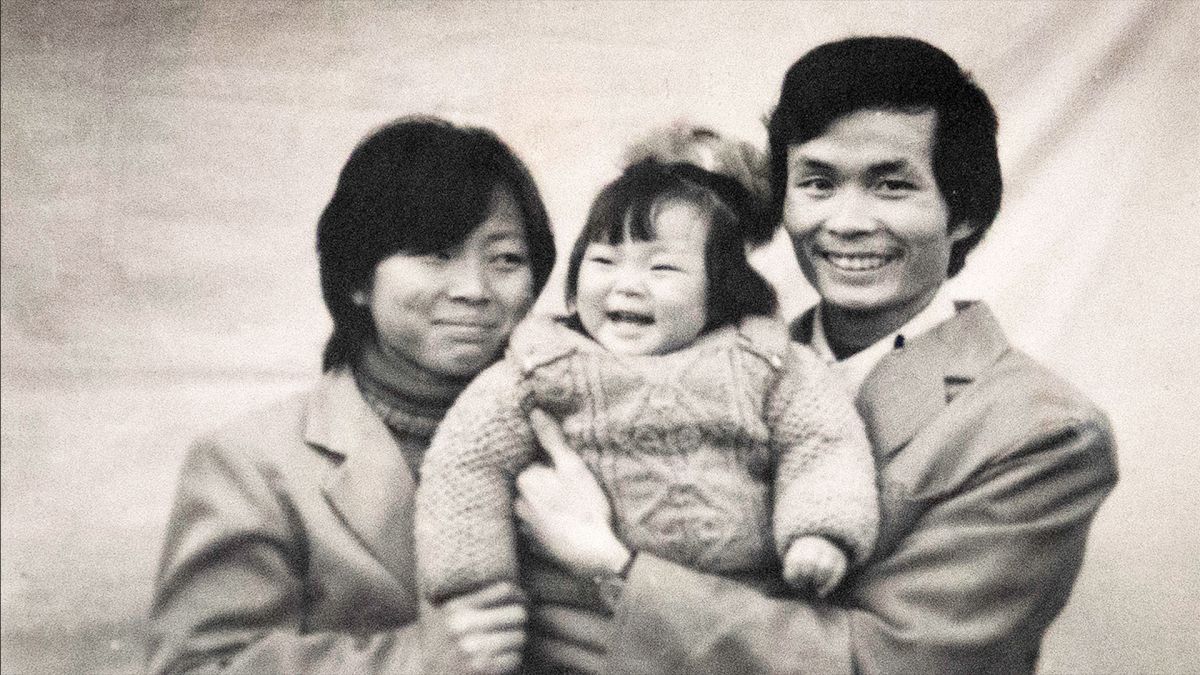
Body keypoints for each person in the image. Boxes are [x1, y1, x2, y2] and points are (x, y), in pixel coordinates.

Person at [514, 37, 1118, 673]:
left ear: (962, 213)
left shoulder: (1042, 432)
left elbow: (887, 663)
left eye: (891, 185)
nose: (847, 221)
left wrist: (613, 567)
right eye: (817, 183)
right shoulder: (719, 352)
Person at [414, 151, 880, 670]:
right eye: (603, 261)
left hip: (730, 618)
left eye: (662, 267)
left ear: (719, 289)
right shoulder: (542, 364)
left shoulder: (765, 360)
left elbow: (823, 442)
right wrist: (473, 587)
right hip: (575, 635)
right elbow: (466, 461)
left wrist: (821, 531)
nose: (626, 283)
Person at [147, 117, 556, 674]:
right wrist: (414, 661)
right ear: (357, 279)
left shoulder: (581, 426)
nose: (474, 290)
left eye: (505, 258)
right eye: (436, 253)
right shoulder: (250, 462)